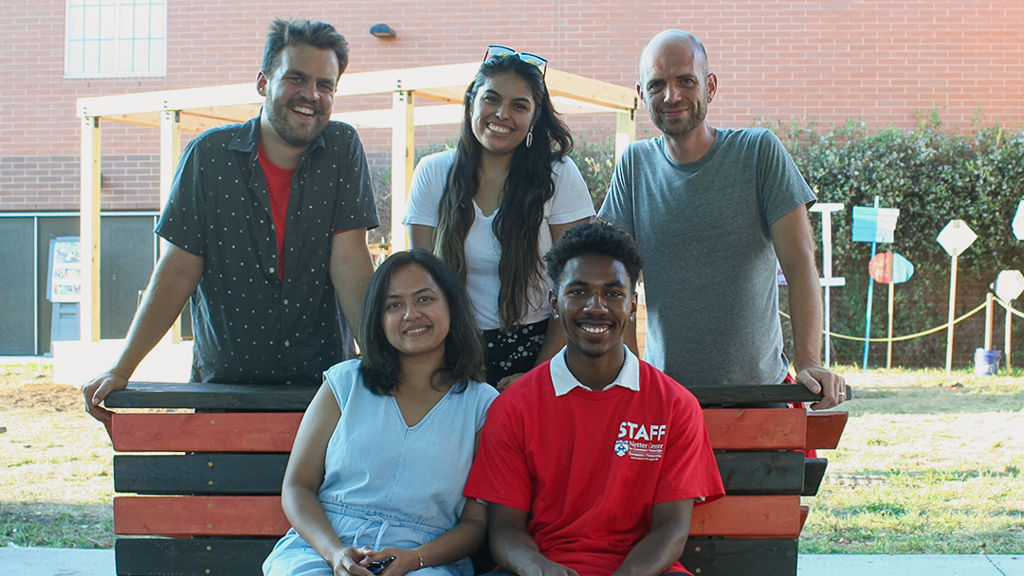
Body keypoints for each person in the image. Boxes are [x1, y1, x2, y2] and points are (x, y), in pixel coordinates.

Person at [82, 19, 379, 421]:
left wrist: (383, 368)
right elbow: (178, 270)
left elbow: (350, 262)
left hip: (324, 390)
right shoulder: (209, 155)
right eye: (296, 78)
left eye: (325, 85)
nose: (312, 95)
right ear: (263, 82)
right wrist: (122, 367)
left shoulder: (342, 148)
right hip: (224, 390)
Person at [598, 29, 845, 409]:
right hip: (669, 401)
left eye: (686, 81)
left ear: (710, 86)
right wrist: (631, 371)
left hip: (760, 395)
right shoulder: (634, 165)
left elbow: (799, 263)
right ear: (641, 93)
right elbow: (614, 278)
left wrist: (809, 361)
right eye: (657, 84)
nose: (672, 95)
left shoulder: (759, 152)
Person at [464, 223, 724, 576]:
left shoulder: (675, 404)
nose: (596, 306)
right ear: (555, 303)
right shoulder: (514, 406)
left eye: (613, 293)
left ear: (633, 304)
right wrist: (539, 568)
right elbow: (505, 528)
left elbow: (671, 527)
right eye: (579, 291)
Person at [263, 250, 498, 576]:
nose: (411, 314)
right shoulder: (344, 383)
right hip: (324, 548)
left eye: (425, 299)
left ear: (452, 307)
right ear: (378, 318)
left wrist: (414, 559)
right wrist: (335, 554)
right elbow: (297, 486)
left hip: (425, 559)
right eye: (394, 305)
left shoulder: (483, 406)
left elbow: (476, 523)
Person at [404, 46, 594, 389]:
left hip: (542, 350)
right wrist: (444, 365)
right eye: (491, 99)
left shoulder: (560, 175)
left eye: (519, 105)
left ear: (535, 118)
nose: (502, 114)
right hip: (450, 349)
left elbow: (576, 286)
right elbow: (421, 282)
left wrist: (537, 376)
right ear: (471, 102)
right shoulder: (433, 173)